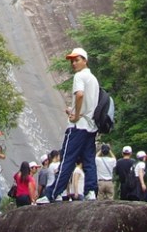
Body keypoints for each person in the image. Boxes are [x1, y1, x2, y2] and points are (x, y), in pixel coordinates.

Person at [36, 47, 100, 203]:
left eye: (77, 60)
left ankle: (52, 194)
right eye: (72, 61)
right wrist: (73, 111)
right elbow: (88, 103)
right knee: (89, 160)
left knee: (66, 159)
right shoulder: (93, 79)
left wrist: (76, 115)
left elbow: (79, 95)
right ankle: (91, 191)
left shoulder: (79, 76)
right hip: (91, 126)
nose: (73, 63)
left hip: (78, 127)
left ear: (85, 60)